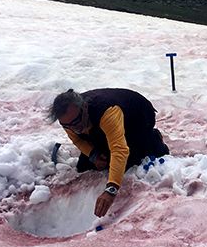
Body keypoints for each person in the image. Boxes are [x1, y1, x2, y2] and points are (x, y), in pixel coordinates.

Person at [48, 88, 169, 217]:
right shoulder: (69, 119)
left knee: (129, 162)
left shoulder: (106, 112)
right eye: (67, 126)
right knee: (85, 166)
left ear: (84, 108)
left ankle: (153, 139)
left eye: (76, 122)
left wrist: (111, 189)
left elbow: (119, 150)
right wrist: (93, 155)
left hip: (138, 117)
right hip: (100, 124)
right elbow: (77, 139)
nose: (74, 128)